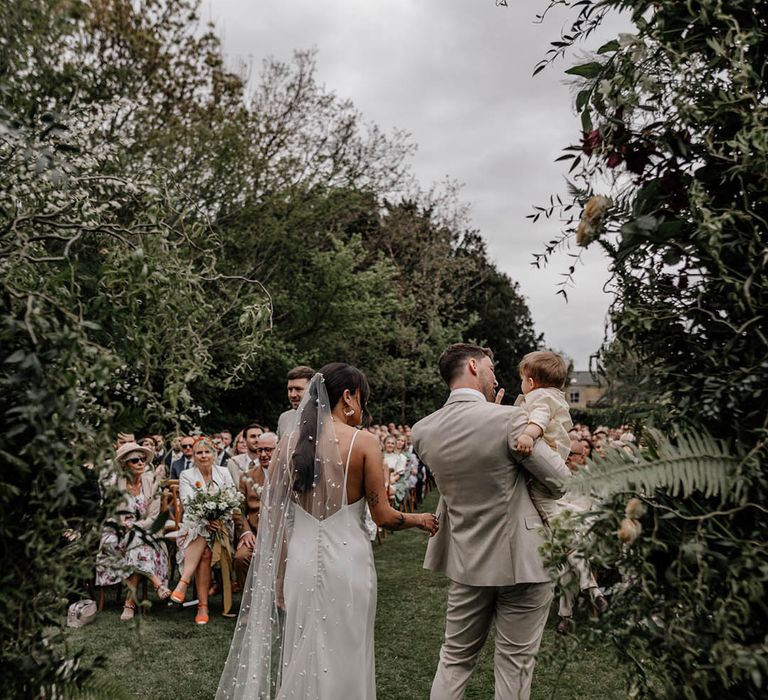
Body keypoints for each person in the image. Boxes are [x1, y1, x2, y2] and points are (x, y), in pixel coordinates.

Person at [215, 363, 438, 699]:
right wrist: (419, 520)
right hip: (348, 562)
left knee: (304, 649)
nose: (364, 408)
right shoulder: (364, 443)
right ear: (347, 397)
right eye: (362, 398)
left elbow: (275, 520)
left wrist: (278, 578)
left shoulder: (288, 445)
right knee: (345, 651)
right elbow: (384, 516)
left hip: (300, 565)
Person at [412, 343, 571, 700]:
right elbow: (561, 481)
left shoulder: (422, 431)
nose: (496, 376)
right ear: (473, 366)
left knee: (454, 659)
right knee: (515, 664)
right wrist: (501, 417)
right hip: (524, 561)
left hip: (466, 559)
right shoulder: (510, 419)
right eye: (491, 368)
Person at [95, 442, 170, 622]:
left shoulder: (151, 482)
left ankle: (129, 604)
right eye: (134, 460)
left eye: (143, 459)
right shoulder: (114, 484)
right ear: (124, 465)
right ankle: (156, 582)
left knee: (137, 542)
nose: (140, 463)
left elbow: (153, 517)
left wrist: (136, 527)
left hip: (142, 531)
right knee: (139, 544)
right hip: (115, 534)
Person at [169, 436, 236, 625]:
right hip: (196, 524)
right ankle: (202, 606)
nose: (203, 456)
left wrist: (217, 519)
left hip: (222, 525)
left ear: (214, 454)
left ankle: (184, 582)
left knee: (204, 538)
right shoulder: (187, 475)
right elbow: (188, 504)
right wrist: (206, 520)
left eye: (207, 452)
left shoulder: (223, 472)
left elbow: (231, 499)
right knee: (205, 550)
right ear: (194, 456)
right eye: (199, 452)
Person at [513, 350, 573, 525]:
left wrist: (528, 435)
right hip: (556, 453)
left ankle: (563, 534)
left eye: (522, 379)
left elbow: (541, 416)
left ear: (531, 383)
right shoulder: (552, 396)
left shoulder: (539, 397)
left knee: (541, 496)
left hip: (548, 450)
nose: (521, 384)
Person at [233, 432, 277, 589]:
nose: (263, 454)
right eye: (260, 450)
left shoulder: (287, 474)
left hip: (281, 536)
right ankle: (250, 605)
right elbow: (238, 508)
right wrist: (245, 532)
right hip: (255, 534)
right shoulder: (247, 476)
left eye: (268, 450)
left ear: (278, 449)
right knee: (240, 557)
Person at [276, 365, 315, 438]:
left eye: (298, 389)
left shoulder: (324, 418)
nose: (292, 395)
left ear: (312, 390)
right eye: (290, 389)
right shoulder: (284, 418)